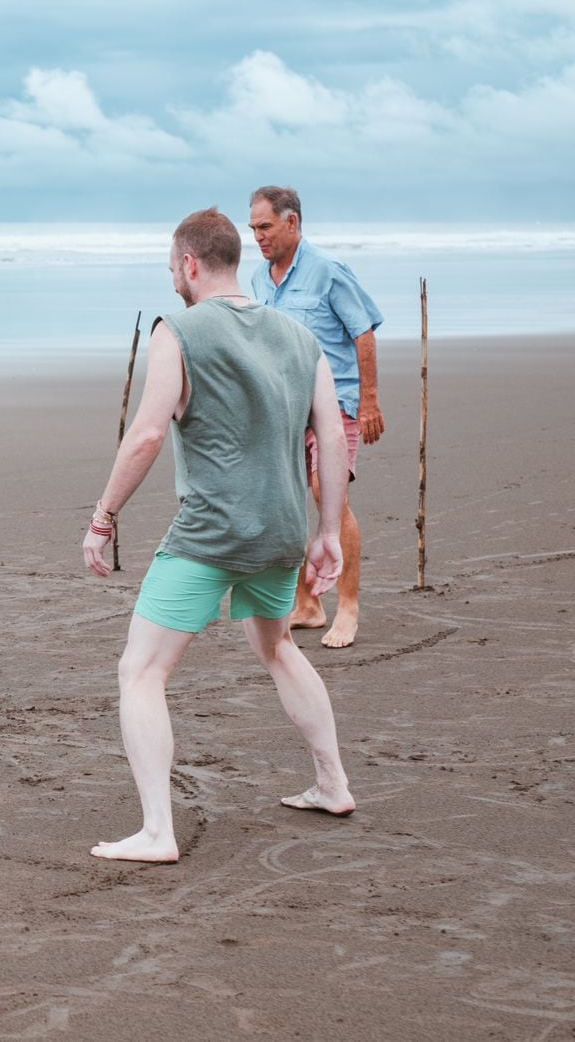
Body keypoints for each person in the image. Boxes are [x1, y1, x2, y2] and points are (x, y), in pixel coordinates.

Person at [82, 207, 356, 864]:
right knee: (278, 644)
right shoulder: (297, 335)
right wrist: (327, 533)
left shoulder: (178, 331)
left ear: (189, 265)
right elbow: (334, 437)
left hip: (211, 533)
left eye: (171, 266)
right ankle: (333, 784)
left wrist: (103, 515)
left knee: (141, 671)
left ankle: (156, 831)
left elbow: (148, 433)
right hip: (283, 528)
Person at [248, 186, 385, 648]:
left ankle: (348, 608)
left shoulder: (327, 271)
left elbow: (363, 330)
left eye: (265, 226)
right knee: (287, 500)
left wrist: (369, 400)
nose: (258, 236)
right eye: (253, 228)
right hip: (285, 408)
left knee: (331, 499)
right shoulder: (259, 279)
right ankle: (308, 604)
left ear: (293, 222)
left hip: (337, 403)